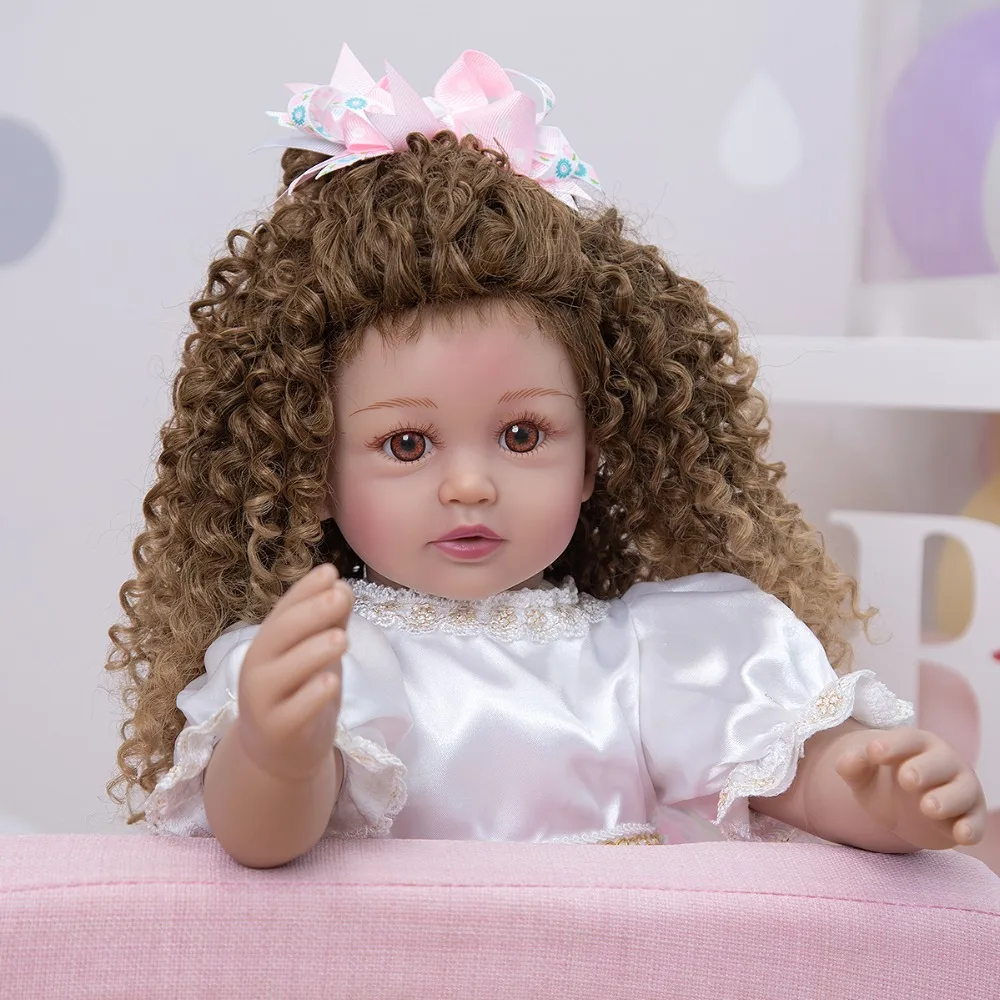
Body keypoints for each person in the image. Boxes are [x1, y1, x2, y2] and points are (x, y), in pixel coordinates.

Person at [105, 46, 987, 869]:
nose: (470, 484)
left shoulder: (649, 660)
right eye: (406, 444)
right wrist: (276, 752)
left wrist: (878, 790)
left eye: (522, 435)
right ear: (315, 470)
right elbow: (261, 840)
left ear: (592, 456)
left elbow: (793, 773)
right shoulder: (342, 668)